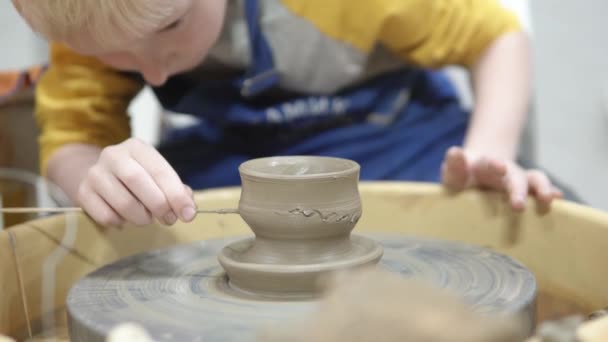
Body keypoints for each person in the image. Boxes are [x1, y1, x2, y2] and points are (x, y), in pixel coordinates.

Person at [12, 0, 563, 227]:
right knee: (155, 232)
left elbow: (497, 38)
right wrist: (96, 178)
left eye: (170, 29)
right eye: (117, 56)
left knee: (536, 211)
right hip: (243, 164)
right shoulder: (93, 21)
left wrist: (488, 155)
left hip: (397, 142)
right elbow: (70, 137)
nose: (152, 75)